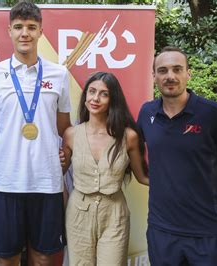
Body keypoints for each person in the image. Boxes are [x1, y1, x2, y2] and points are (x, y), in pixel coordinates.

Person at [137, 46, 217, 265]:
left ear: (188, 74)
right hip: (162, 232)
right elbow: (131, 148)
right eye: (162, 70)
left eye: (177, 69)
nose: (170, 76)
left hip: (208, 232)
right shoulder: (147, 113)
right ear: (154, 76)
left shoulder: (211, 113)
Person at [0, 1, 72, 265]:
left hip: (47, 182)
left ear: (41, 31)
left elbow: (63, 127)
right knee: (7, 258)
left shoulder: (59, 74)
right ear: (9, 30)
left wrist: (65, 156)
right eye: (18, 27)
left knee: (42, 257)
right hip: (7, 181)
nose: (25, 33)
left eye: (31, 27)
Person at [61, 72, 149, 265]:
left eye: (104, 94)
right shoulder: (71, 135)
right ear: (85, 96)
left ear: (113, 100)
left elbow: (143, 177)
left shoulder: (128, 137)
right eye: (92, 92)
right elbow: (56, 174)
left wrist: (178, 180)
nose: (95, 98)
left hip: (114, 213)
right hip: (78, 212)